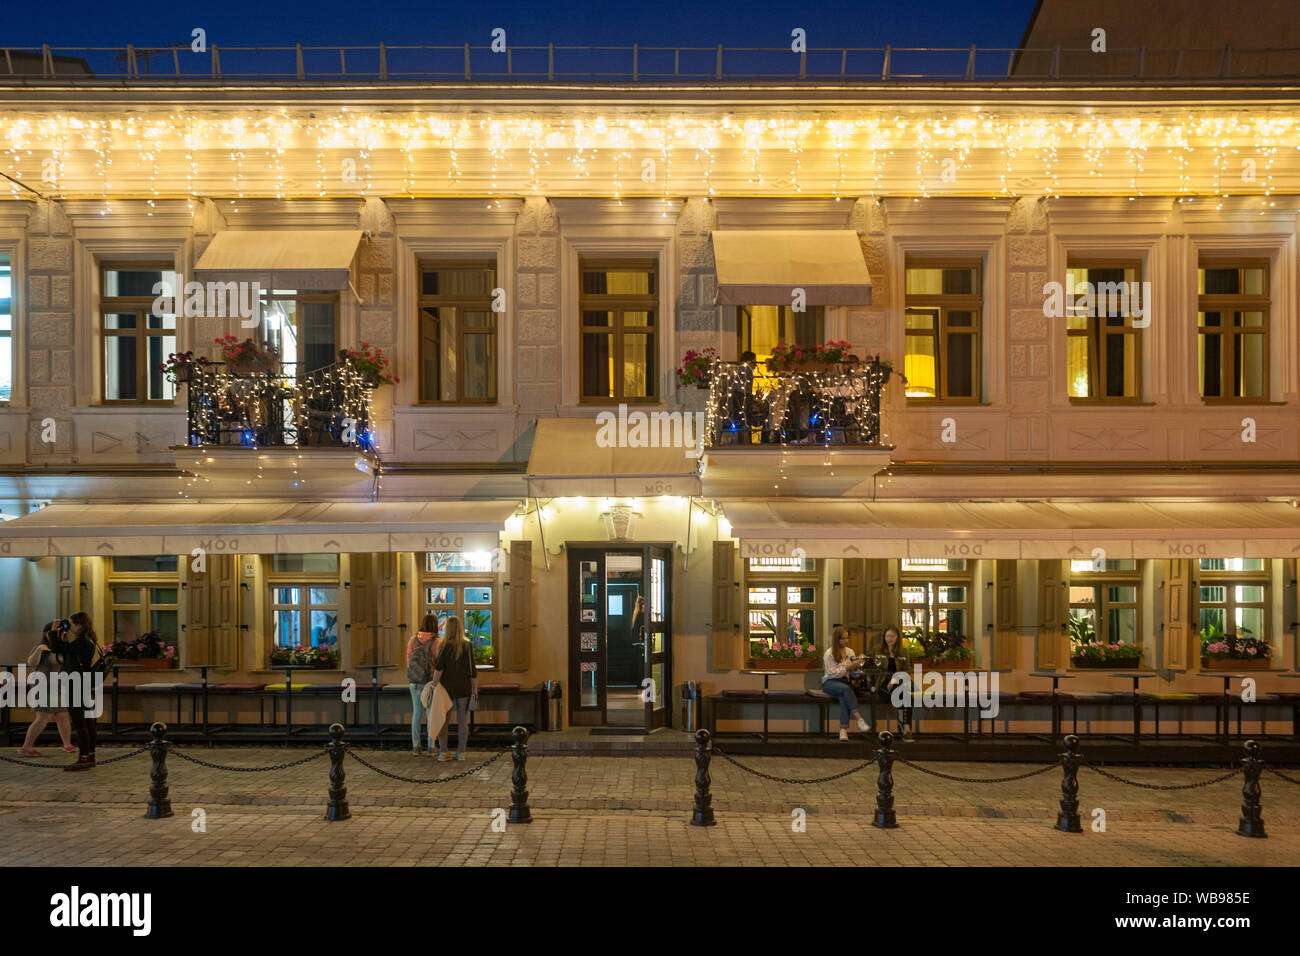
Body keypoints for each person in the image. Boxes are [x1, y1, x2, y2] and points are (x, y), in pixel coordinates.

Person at [18, 623, 76, 756]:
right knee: (43, 716)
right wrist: (39, 650)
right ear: (46, 633)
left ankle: (67, 744)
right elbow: (32, 663)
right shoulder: (41, 648)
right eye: (55, 631)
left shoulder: (61, 647)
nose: (59, 633)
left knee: (63, 715)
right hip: (43, 685)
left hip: (59, 685)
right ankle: (26, 747)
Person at [432, 616, 478, 761]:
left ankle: (443, 752)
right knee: (462, 721)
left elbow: (439, 669)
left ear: (447, 629)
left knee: (443, 720)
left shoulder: (444, 645)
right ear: (459, 627)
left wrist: (433, 685)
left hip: (446, 688)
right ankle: (461, 753)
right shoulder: (467, 645)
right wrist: (474, 689)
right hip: (463, 686)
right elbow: (472, 670)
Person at [60, 611, 99, 771]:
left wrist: (54, 632)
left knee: (80, 722)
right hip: (82, 683)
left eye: (71, 624)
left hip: (75, 685)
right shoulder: (88, 641)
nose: (69, 627)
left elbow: (56, 648)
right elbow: (67, 651)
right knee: (87, 721)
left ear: (79, 625)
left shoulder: (81, 642)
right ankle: (90, 755)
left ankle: (83, 758)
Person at [822, 625, 871, 741]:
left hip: (845, 683)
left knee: (844, 695)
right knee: (845, 690)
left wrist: (859, 663)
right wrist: (849, 667)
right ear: (836, 639)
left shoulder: (850, 652)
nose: (845, 641)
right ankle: (859, 718)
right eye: (843, 638)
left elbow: (854, 671)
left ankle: (843, 730)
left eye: (847, 638)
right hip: (830, 683)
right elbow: (832, 673)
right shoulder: (829, 654)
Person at [406, 614, 441, 756]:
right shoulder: (437, 641)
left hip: (414, 682)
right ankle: (431, 747)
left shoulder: (412, 639)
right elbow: (439, 664)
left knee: (416, 714)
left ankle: (416, 747)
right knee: (430, 714)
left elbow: (408, 661)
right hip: (430, 682)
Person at [875, 626, 914, 741]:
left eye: (892, 636)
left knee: (906, 695)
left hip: (898, 683)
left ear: (897, 637)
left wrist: (895, 679)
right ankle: (905, 727)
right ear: (884, 637)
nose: (890, 639)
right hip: (882, 684)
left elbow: (907, 670)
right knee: (905, 695)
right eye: (887, 636)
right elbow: (873, 668)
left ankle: (905, 727)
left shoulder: (903, 652)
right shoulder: (878, 651)